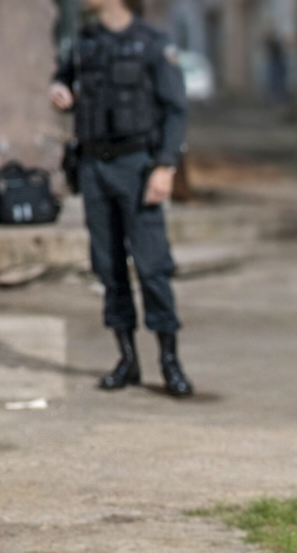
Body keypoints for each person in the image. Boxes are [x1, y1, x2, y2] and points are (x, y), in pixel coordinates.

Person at [50, 0, 194, 397]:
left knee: (152, 267)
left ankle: (169, 360)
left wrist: (165, 166)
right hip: (94, 165)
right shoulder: (83, 41)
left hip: (137, 166)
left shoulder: (153, 42)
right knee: (108, 266)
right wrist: (59, 88)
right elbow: (62, 78)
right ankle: (126, 359)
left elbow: (176, 110)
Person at [263, 24, 289, 106]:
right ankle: (275, 99)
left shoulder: (277, 42)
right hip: (274, 63)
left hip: (279, 63)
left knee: (280, 82)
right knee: (274, 82)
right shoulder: (270, 43)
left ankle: (280, 98)